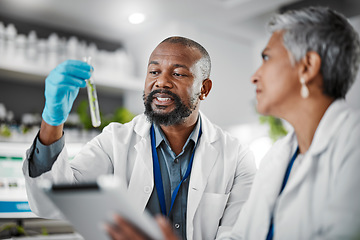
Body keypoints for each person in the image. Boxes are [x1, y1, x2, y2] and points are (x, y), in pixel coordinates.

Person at [107, 6, 360, 240]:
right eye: (154, 72)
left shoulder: (353, 145)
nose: (254, 76)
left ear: (308, 66)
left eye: (267, 58)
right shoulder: (278, 157)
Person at [22, 36, 256, 240]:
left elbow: (238, 235)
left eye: (178, 73)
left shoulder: (236, 156)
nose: (161, 82)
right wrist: (52, 121)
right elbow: (49, 204)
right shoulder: (114, 141)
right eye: (154, 71)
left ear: (204, 88)